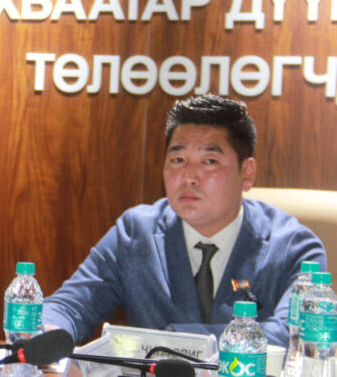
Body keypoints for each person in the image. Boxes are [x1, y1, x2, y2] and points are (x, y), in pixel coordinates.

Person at [42, 94, 326, 347]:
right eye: (178, 160)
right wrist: (47, 333)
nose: (189, 177)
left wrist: (174, 342)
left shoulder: (294, 247)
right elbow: (70, 306)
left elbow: (294, 334)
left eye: (209, 161)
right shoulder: (135, 233)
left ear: (247, 173)